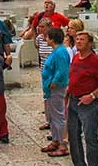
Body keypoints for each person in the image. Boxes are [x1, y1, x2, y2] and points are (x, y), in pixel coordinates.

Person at [66, 31, 98, 166]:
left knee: (90, 137)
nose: (78, 41)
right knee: (73, 136)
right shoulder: (75, 57)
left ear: (90, 43)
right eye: (77, 39)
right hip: (73, 100)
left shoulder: (95, 61)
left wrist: (92, 96)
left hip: (87, 104)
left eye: (82, 40)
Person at [40, 27, 70, 158]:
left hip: (56, 88)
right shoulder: (56, 51)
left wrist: (54, 82)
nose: (45, 39)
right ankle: (55, 140)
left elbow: (62, 70)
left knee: (58, 115)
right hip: (50, 88)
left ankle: (62, 144)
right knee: (52, 116)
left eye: (47, 37)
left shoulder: (60, 52)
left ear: (51, 39)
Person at [34, 17, 53, 132]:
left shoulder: (53, 39)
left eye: (42, 27)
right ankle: (48, 120)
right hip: (44, 70)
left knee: (54, 97)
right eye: (39, 27)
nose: (39, 29)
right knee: (46, 96)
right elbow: (38, 51)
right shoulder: (39, 39)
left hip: (53, 70)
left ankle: (54, 121)